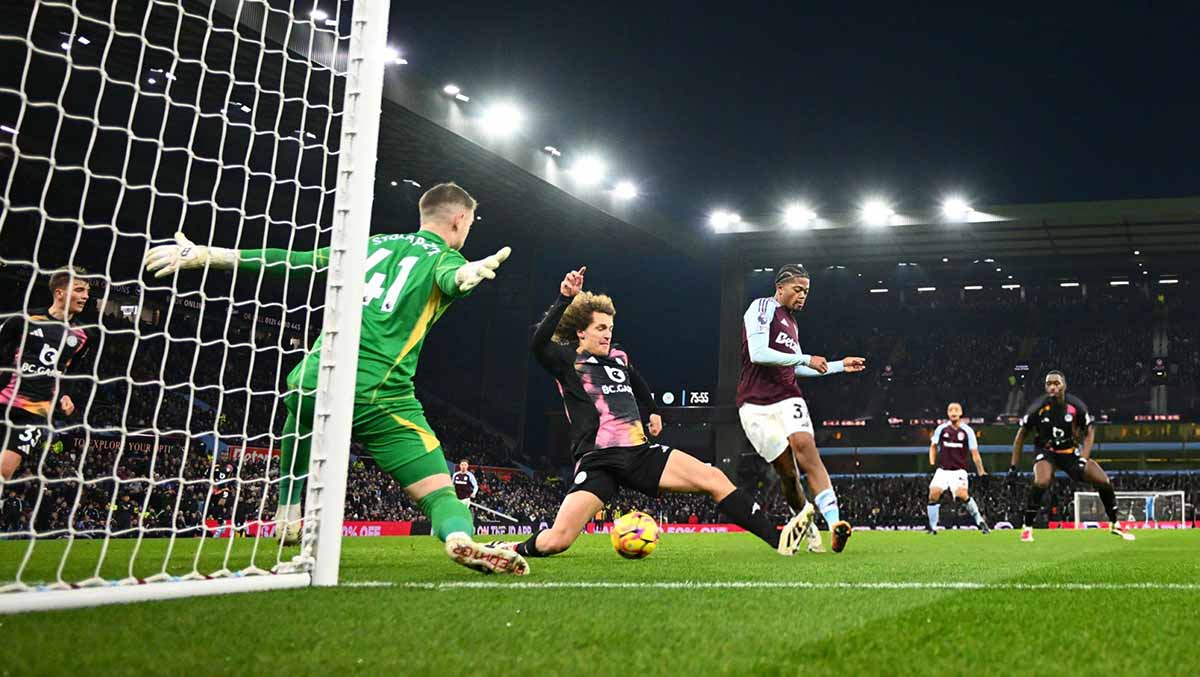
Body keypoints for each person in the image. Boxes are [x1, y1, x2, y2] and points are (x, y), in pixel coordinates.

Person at [143, 182, 528, 575]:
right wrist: (466, 272)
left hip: (314, 378)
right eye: (470, 223)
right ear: (459, 220)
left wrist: (209, 255)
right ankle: (458, 537)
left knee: (301, 408)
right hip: (378, 394)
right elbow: (450, 276)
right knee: (439, 494)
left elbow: (294, 261)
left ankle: (288, 510)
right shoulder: (444, 257)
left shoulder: (372, 244)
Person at [498, 267, 814, 561]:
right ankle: (507, 549)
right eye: (600, 328)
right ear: (581, 333)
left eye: (610, 328)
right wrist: (564, 298)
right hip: (599, 460)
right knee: (557, 541)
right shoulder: (567, 360)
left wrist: (652, 411)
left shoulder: (618, 357)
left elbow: (637, 381)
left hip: (639, 454)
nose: (608, 334)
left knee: (714, 478)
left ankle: (778, 539)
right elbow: (538, 344)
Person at [737, 264, 865, 553]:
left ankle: (835, 524)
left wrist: (838, 366)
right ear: (780, 287)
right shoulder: (762, 308)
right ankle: (807, 527)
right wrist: (806, 358)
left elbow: (793, 368)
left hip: (788, 396)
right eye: (798, 289)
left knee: (805, 446)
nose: (803, 295)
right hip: (754, 404)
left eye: (806, 291)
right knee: (788, 473)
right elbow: (758, 354)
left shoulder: (792, 324)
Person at [1008, 370, 1134, 542]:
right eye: (1049, 384)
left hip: (1070, 453)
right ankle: (1027, 527)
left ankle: (1115, 524)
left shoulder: (1076, 406)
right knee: (1042, 481)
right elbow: (1021, 436)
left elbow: (1089, 432)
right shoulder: (1037, 408)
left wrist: (1083, 458)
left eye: (1056, 383)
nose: (1052, 387)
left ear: (1064, 386)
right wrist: (1013, 466)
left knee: (1103, 481)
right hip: (1047, 452)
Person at [0, 268, 93, 482]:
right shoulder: (26, 319)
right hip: (3, 398)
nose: (86, 296)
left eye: (87, 291)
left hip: (36, 411)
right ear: (59, 293)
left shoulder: (84, 335)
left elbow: (72, 370)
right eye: (79, 290)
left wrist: (66, 394)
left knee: (4, 472)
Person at [926, 402, 989, 534]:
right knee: (933, 494)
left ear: (961, 413)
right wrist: (931, 463)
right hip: (943, 470)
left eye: (956, 410)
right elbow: (933, 446)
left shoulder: (967, 431)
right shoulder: (941, 429)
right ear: (948, 413)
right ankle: (932, 528)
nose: (953, 412)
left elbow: (975, 453)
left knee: (962, 495)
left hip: (959, 471)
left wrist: (981, 471)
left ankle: (980, 521)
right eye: (950, 410)